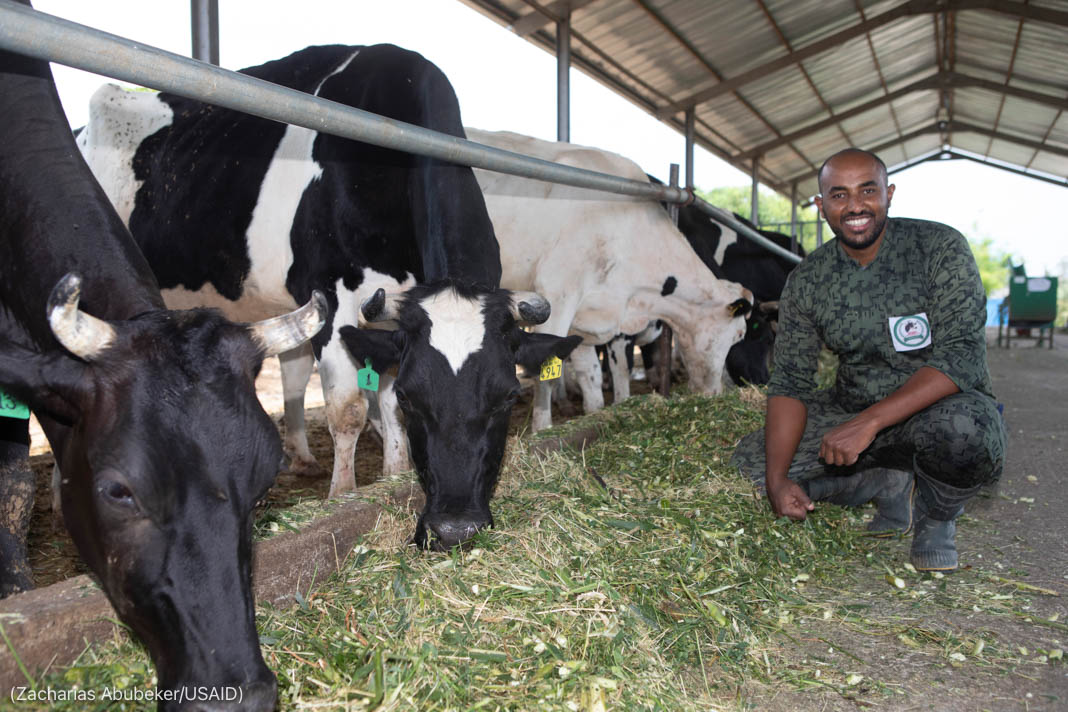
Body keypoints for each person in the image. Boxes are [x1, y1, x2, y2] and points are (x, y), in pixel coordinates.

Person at [730, 148, 1006, 572]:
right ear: (821, 206)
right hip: (851, 407)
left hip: (937, 409)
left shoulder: (938, 249)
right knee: (752, 461)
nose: (856, 205)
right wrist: (776, 480)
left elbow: (961, 357)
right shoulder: (808, 280)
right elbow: (790, 382)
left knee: (965, 434)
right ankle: (888, 481)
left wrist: (869, 423)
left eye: (867, 191)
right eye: (839, 195)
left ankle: (936, 517)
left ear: (889, 194)